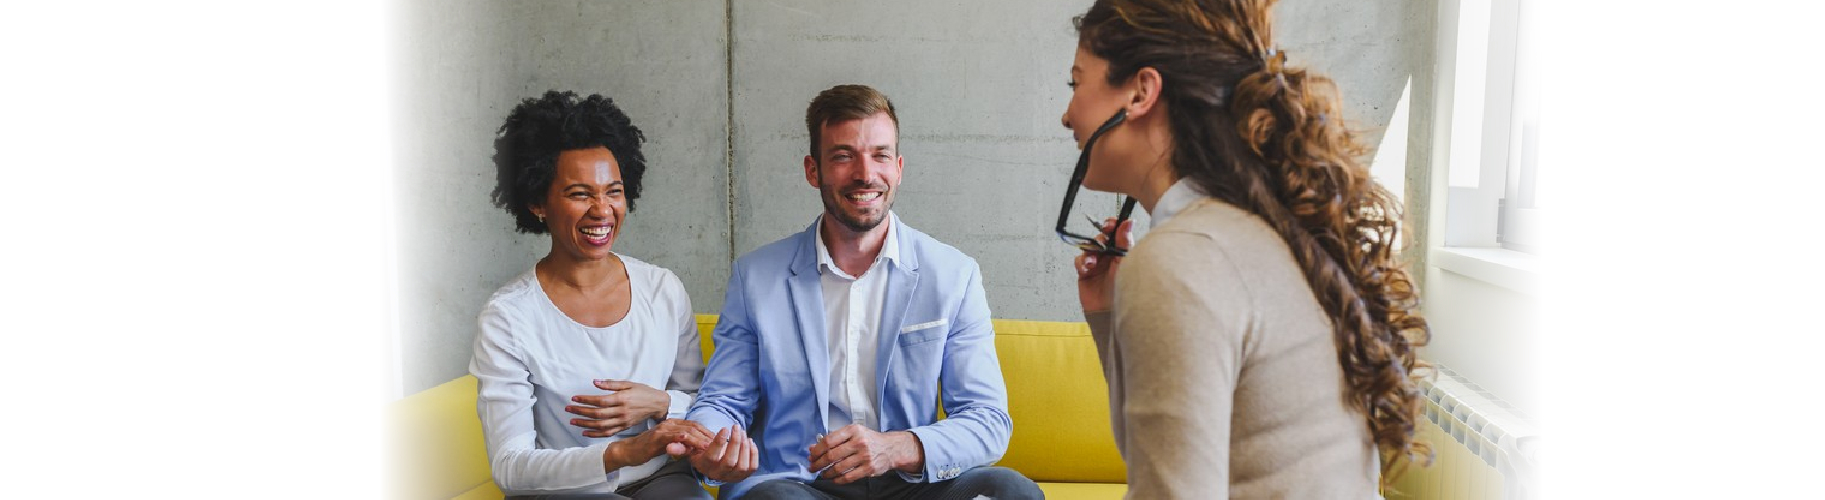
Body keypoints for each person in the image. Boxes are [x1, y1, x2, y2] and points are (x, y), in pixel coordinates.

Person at [1061, 1, 1433, 498]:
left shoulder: (1183, 257)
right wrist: (1109, 314)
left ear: (1141, 92)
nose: (1068, 115)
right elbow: (1188, 453)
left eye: (1076, 83)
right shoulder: (1264, 233)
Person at [685, 84, 1043, 500]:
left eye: (880, 155)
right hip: (799, 485)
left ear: (899, 167)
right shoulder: (756, 278)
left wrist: (898, 448)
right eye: (843, 156)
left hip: (911, 484)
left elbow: (987, 419)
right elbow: (724, 401)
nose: (865, 173)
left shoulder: (953, 275)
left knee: (1010, 492)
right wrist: (707, 446)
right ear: (812, 170)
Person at [469, 90, 715, 499]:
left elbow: (705, 407)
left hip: (661, 479)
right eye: (580, 193)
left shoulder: (662, 289)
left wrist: (658, 403)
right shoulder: (508, 316)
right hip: (562, 491)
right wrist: (625, 451)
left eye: (613, 191)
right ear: (537, 202)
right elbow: (510, 466)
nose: (602, 210)